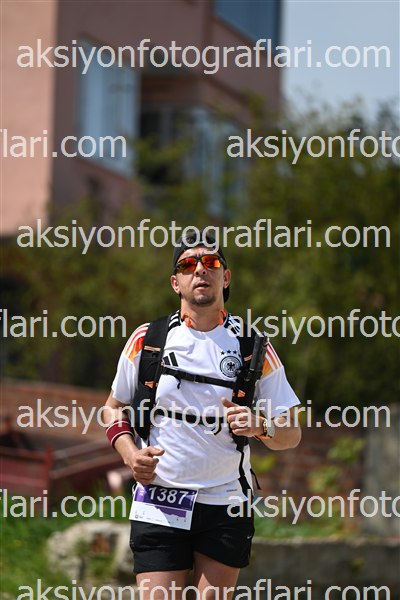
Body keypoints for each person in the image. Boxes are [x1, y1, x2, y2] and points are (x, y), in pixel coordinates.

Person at [104, 231, 301, 600]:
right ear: (175, 282)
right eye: (187, 265)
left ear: (226, 277)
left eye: (211, 262)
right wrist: (131, 455)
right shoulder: (148, 339)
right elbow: (112, 408)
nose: (200, 270)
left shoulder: (253, 346)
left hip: (225, 501)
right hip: (160, 498)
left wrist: (260, 426)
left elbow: (291, 433)